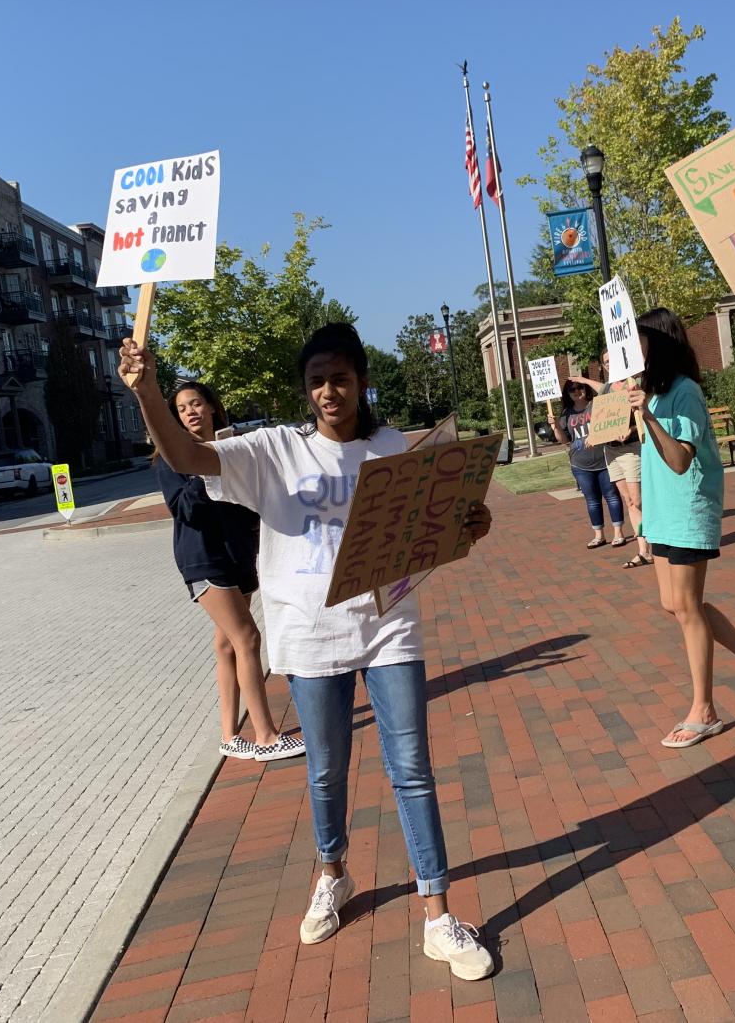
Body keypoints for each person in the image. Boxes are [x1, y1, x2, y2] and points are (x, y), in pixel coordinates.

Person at [118, 323, 497, 980]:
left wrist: (466, 523)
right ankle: (332, 872)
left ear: (361, 382)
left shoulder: (389, 447)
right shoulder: (271, 451)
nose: (329, 390)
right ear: (305, 388)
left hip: (388, 626)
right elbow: (184, 456)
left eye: (341, 378)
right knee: (326, 769)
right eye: (317, 380)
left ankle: (437, 915)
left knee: (411, 768)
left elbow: (426, 527)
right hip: (308, 634)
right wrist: (148, 392)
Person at [626, 308, 735, 748]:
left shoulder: (685, 393)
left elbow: (680, 461)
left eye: (639, 340)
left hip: (688, 510)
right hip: (662, 514)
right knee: (675, 604)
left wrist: (650, 418)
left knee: (687, 608)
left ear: (658, 343)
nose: (632, 349)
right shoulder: (653, 393)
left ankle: (705, 710)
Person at [157, 381, 305, 762]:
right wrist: (203, 471)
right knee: (247, 638)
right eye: (182, 408)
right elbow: (185, 510)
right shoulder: (170, 459)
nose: (190, 412)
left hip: (237, 556)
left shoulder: (234, 450)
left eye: (196, 404)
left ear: (212, 409)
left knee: (225, 643)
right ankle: (267, 736)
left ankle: (228, 736)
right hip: (203, 558)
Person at [570, 351, 651, 568]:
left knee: (638, 500)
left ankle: (652, 542)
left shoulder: (635, 383)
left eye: (610, 361)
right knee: (629, 501)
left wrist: (632, 429)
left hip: (631, 448)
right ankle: (644, 550)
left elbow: (647, 413)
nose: (607, 365)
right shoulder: (607, 388)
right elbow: (602, 414)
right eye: (605, 362)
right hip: (611, 451)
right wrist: (595, 436)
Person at [548, 377, 628, 550]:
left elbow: (608, 395)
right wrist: (555, 426)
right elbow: (563, 440)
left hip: (604, 459)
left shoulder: (596, 404)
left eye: (580, 387)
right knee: (592, 500)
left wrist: (583, 378)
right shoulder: (566, 413)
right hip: (580, 464)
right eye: (572, 389)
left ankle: (618, 533)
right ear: (567, 394)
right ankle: (599, 535)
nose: (577, 391)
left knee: (612, 496)